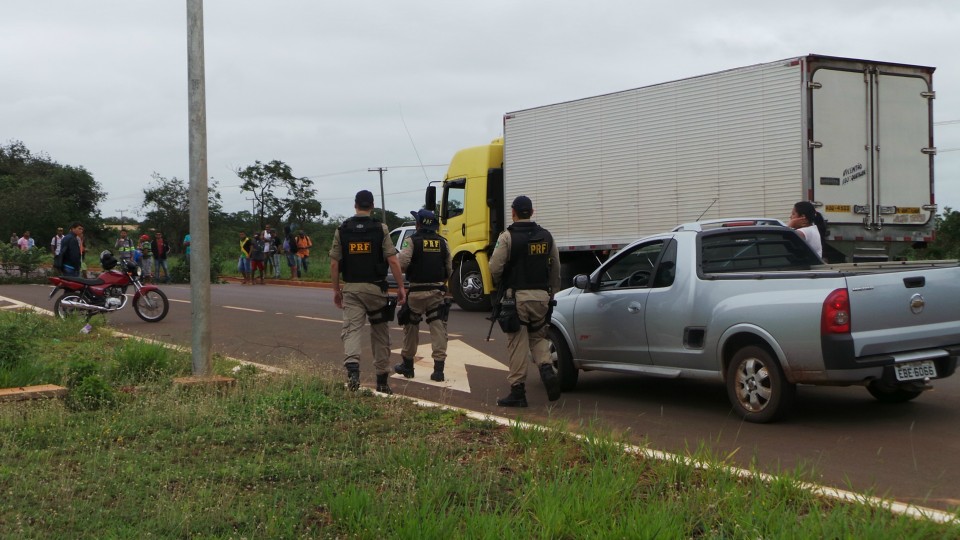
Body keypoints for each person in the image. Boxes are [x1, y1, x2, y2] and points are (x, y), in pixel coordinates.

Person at [329, 189, 407, 394]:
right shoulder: (380, 229)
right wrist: (400, 287)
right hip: (376, 290)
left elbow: (335, 264)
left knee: (352, 330)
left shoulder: (342, 230)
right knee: (380, 333)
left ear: (355, 205)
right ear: (371, 206)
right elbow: (392, 260)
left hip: (352, 289)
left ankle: (353, 371)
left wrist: (336, 290)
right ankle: (382, 380)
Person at [489, 195, 562, 407]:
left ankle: (517, 392)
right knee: (538, 338)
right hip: (541, 297)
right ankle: (547, 369)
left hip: (516, 298)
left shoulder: (507, 237)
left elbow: (495, 267)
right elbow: (556, 268)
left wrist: (499, 287)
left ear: (513, 212)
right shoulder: (547, 236)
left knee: (517, 342)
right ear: (531, 212)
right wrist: (552, 294)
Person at [395, 209, 453, 382]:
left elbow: (402, 263)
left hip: (416, 292)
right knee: (438, 329)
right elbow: (449, 268)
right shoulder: (443, 242)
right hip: (436, 292)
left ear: (419, 224)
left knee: (411, 328)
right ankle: (438, 371)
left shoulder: (411, 241)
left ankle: (408, 366)